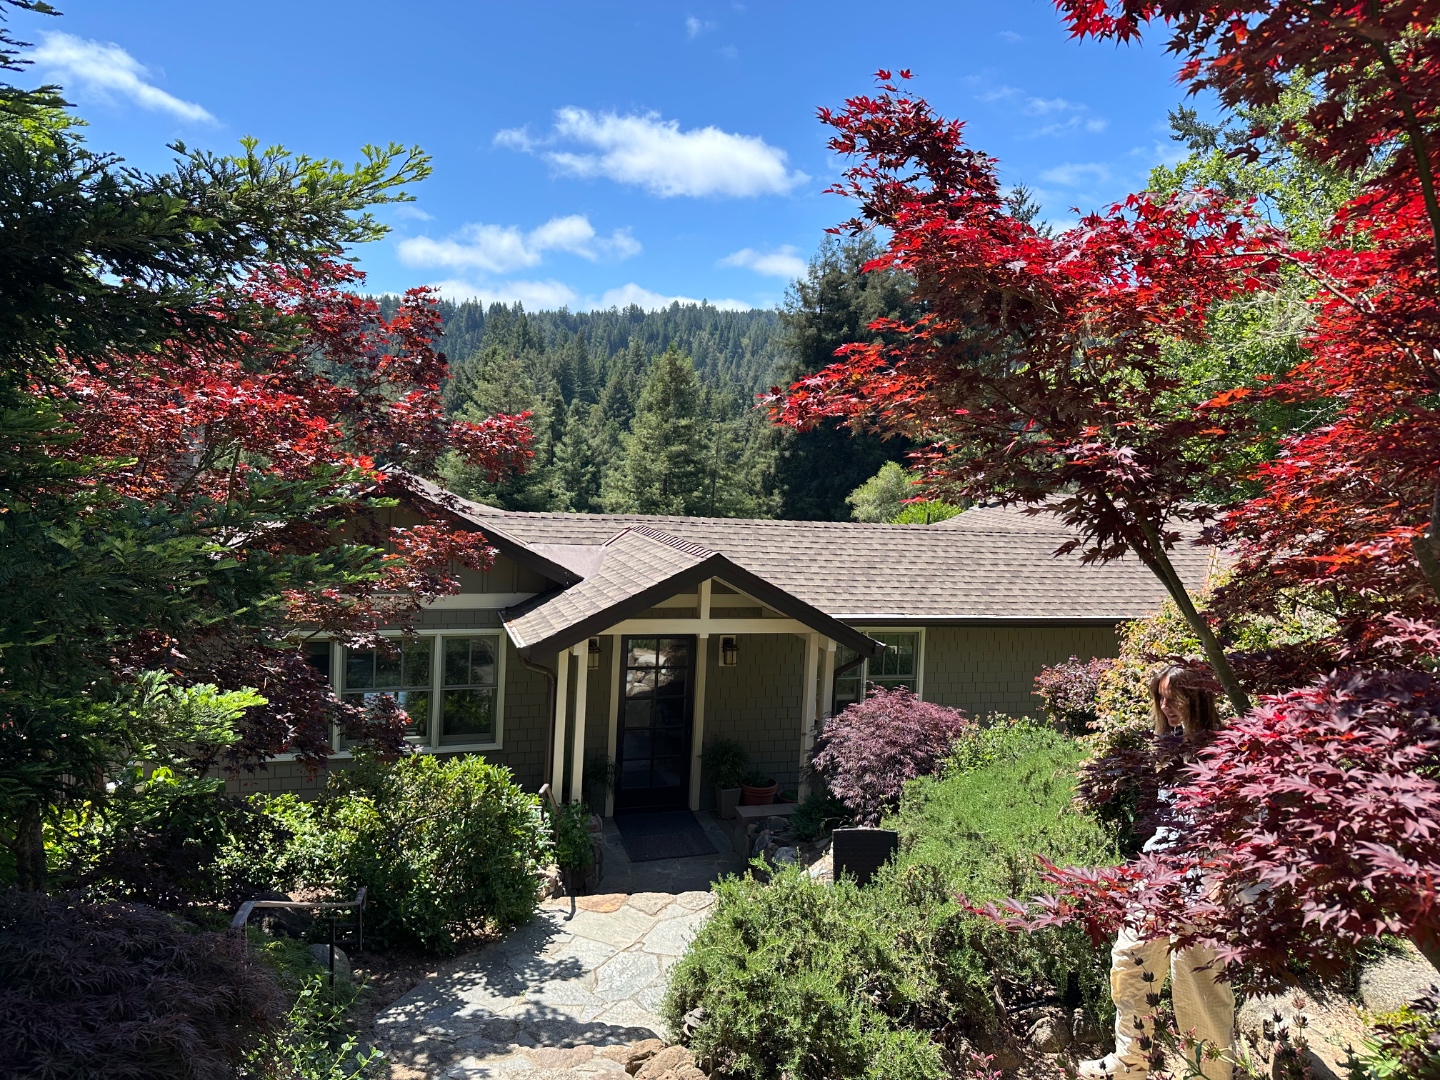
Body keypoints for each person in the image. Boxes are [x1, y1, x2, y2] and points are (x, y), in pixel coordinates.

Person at [1078, 665, 1236, 1080]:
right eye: (1160, 699)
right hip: (1158, 875)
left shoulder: (1225, 749)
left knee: (1198, 982)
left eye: (1173, 698)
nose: (1165, 707)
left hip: (1206, 881)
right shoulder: (1169, 747)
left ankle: (1212, 1073)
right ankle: (1130, 1063)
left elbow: (1238, 826)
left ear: (1197, 698)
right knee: (1130, 961)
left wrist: (1222, 887)